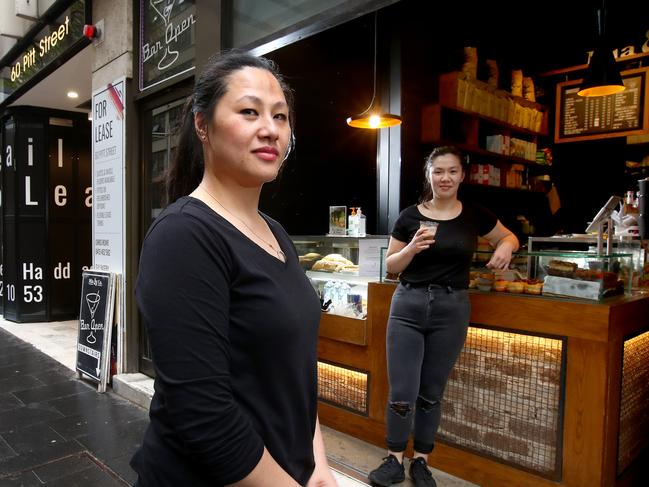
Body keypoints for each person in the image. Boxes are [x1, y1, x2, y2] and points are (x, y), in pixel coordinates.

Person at [130, 50, 337, 487]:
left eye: (281, 117)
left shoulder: (276, 233)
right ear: (202, 125)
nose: (270, 130)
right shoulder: (183, 236)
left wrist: (317, 464)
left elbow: (294, 369)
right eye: (249, 112)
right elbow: (204, 417)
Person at [368, 146, 519, 487]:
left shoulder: (474, 214)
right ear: (429, 175)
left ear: (462, 175)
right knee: (402, 390)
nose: (445, 177)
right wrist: (410, 249)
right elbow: (391, 267)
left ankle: (421, 461)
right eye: (438, 171)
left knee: (432, 391)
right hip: (408, 304)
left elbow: (508, 236)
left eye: (452, 171)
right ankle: (393, 459)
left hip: (452, 309)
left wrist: (505, 246)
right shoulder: (409, 216)